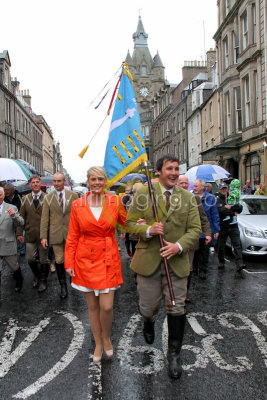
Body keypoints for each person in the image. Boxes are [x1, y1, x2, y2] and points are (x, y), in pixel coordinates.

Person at [125, 155, 201, 379]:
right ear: (159, 171)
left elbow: (194, 229)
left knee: (176, 308)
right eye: (170, 168)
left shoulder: (188, 197)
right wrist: (148, 230)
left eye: (177, 168)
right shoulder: (143, 194)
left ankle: (174, 355)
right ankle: (148, 321)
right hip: (148, 261)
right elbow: (129, 225)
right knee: (148, 307)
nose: (175, 172)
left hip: (176, 264)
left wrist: (178, 246)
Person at [64, 167, 127, 364]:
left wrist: (143, 221)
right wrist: (69, 261)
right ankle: (98, 342)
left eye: (101, 179)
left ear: (105, 181)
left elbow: (127, 224)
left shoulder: (115, 201)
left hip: (108, 256)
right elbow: (73, 235)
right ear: (88, 181)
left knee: (106, 307)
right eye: (93, 179)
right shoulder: (77, 205)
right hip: (85, 259)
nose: (97, 182)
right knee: (92, 306)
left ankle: (107, 337)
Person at [40, 172, 78, 299]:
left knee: (72, 258)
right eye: (54, 181)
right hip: (55, 234)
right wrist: (44, 236)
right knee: (59, 260)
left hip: (71, 233)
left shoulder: (73, 195)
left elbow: (79, 215)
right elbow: (44, 219)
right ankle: (63, 286)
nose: (56, 183)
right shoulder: (48, 198)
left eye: (59, 181)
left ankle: (73, 280)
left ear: (64, 182)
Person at [177, 175, 211, 301]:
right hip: (174, 239)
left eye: (186, 183)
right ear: (176, 184)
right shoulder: (170, 198)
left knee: (189, 268)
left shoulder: (195, 198)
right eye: (181, 183)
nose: (184, 185)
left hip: (191, 239)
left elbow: (203, 217)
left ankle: (185, 292)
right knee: (175, 268)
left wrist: (207, 233)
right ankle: (175, 292)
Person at [17, 175, 49, 292]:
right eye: (33, 182)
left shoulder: (48, 198)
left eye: (37, 182)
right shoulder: (25, 199)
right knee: (30, 259)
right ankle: (37, 275)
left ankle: (43, 280)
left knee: (43, 260)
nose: (35, 184)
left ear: (40, 184)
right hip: (30, 234)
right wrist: (19, 233)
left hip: (43, 235)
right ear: (30, 185)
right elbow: (21, 217)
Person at [193, 179, 220, 279]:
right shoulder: (191, 196)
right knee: (195, 251)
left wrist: (216, 230)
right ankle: (195, 268)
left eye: (196, 186)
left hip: (206, 229)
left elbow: (214, 214)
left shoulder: (210, 198)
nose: (194, 188)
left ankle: (203, 270)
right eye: (194, 186)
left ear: (202, 187)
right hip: (194, 228)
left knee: (204, 251)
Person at [216, 182, 245, 271]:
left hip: (233, 225)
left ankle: (239, 263)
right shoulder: (217, 199)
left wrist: (230, 208)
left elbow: (240, 208)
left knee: (236, 244)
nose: (224, 190)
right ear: (219, 190)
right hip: (223, 226)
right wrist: (233, 211)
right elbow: (221, 211)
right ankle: (221, 261)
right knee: (221, 245)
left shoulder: (232, 196)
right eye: (222, 189)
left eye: (225, 188)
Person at [0, 187, 24, 292]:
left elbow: (21, 223)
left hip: (8, 243)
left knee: (14, 267)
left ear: (3, 195)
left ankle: (19, 280)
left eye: (0, 194)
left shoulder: (11, 208)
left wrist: (14, 216)